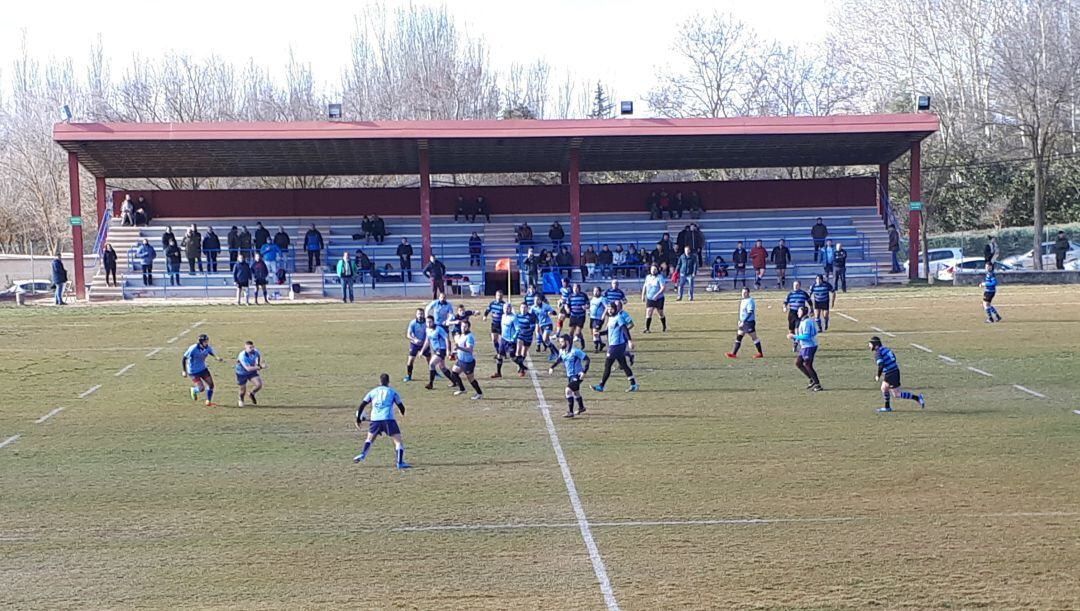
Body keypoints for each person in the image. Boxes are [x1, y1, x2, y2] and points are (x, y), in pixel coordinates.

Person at [353, 373, 410, 469]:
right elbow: (401, 406)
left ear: (379, 382)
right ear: (388, 382)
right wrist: (402, 413)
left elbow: (362, 405)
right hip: (388, 419)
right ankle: (400, 463)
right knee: (398, 441)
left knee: (369, 439)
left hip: (375, 419)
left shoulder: (372, 392)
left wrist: (358, 419)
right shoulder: (392, 392)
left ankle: (363, 454)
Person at [869, 337, 925, 413]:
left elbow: (881, 365)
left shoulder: (878, 353)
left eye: (870, 344)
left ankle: (917, 398)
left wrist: (878, 376)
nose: (869, 345)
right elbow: (894, 358)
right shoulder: (886, 349)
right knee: (884, 388)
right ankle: (887, 407)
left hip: (891, 373)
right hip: (894, 371)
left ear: (875, 345)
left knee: (896, 394)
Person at [592, 301, 638, 392]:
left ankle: (601, 386)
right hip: (614, 345)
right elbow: (608, 331)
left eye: (611, 309)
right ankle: (633, 384)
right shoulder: (611, 318)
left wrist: (629, 341)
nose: (609, 311)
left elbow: (624, 329)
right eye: (608, 309)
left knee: (607, 365)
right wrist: (599, 334)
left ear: (615, 309)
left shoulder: (619, 317)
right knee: (624, 365)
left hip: (616, 346)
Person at [548, 334, 591, 418]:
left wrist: (584, 372)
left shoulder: (575, 351)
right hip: (570, 376)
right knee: (575, 392)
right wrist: (552, 367)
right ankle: (581, 407)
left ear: (567, 342)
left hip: (577, 375)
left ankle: (570, 412)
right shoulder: (562, 351)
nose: (560, 344)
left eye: (562, 342)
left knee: (568, 390)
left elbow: (587, 359)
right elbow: (560, 359)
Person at [182, 333, 225, 407]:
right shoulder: (193, 349)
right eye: (205, 341)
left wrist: (216, 357)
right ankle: (194, 390)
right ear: (201, 342)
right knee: (201, 388)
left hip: (203, 369)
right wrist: (184, 371)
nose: (207, 343)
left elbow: (210, 351)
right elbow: (184, 359)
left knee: (211, 384)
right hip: (193, 372)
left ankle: (208, 401)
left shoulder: (207, 347)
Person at [787, 305, 822, 392]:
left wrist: (794, 336)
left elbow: (806, 336)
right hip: (805, 346)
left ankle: (817, 384)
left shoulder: (806, 322)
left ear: (803, 312)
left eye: (799, 311)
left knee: (807, 364)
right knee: (798, 363)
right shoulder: (805, 321)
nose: (797, 313)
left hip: (809, 346)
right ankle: (811, 379)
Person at [726, 287, 764, 359]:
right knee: (739, 336)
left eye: (745, 292)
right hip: (743, 322)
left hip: (749, 322)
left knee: (754, 337)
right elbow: (742, 312)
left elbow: (750, 312)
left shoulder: (750, 301)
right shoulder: (743, 301)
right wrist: (740, 320)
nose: (743, 294)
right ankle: (733, 354)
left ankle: (760, 353)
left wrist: (744, 321)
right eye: (742, 292)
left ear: (748, 293)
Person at [450, 320, 484, 399]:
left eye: (465, 326)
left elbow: (469, 350)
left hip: (467, 362)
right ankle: (462, 389)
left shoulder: (469, 337)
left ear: (468, 327)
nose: (463, 328)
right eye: (462, 326)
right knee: (454, 373)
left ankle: (479, 393)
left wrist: (459, 348)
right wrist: (454, 352)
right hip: (460, 360)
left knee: (471, 379)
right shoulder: (462, 335)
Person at [419, 315, 455, 390]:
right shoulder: (427, 329)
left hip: (441, 349)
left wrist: (448, 350)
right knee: (442, 367)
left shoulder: (439, 329)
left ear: (433, 322)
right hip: (436, 350)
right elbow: (427, 340)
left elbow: (446, 338)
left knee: (432, 364)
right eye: (427, 322)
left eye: (430, 322)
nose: (428, 323)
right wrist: (422, 350)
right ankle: (455, 381)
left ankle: (431, 384)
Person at [783, 280, 812, 352]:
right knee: (791, 330)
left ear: (799, 286)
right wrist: (784, 307)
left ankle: (796, 344)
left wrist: (811, 309)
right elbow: (785, 302)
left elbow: (809, 301)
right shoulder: (790, 294)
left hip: (800, 313)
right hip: (792, 313)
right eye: (794, 285)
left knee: (797, 328)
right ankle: (795, 341)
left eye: (797, 285)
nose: (795, 287)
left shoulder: (803, 293)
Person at [235, 340, 265, 407]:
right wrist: (260, 367)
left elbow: (258, 359)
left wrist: (259, 363)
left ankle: (252, 393)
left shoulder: (256, 352)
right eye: (250, 348)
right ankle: (241, 399)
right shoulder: (242, 355)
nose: (251, 349)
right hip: (241, 373)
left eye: (252, 347)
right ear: (245, 347)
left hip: (252, 371)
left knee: (259, 384)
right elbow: (247, 368)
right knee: (242, 390)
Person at [491, 302, 518, 379]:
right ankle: (498, 372)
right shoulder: (503, 316)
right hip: (503, 339)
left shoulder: (513, 317)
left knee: (512, 357)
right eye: (505, 308)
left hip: (510, 341)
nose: (506, 310)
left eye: (508, 308)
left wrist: (514, 337)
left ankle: (521, 366)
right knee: (499, 355)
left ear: (510, 309)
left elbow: (518, 329)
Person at [404, 308, 430, 382]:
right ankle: (409, 375)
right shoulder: (413, 323)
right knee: (410, 360)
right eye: (418, 314)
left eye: (421, 314)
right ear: (416, 314)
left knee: (429, 359)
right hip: (414, 344)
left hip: (424, 344)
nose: (420, 315)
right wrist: (414, 339)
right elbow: (408, 335)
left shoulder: (427, 322)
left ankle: (434, 373)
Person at [512, 302, 537, 377]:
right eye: (522, 307)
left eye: (524, 307)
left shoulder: (531, 317)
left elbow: (532, 328)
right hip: (520, 336)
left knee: (524, 352)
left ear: (527, 308)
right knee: (518, 350)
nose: (523, 309)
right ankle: (520, 367)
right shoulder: (517, 316)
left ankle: (521, 365)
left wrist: (524, 331)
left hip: (528, 337)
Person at [641, 264, 668, 332]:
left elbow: (663, 288)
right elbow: (645, 286)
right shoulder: (648, 277)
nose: (653, 271)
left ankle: (664, 326)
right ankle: (647, 328)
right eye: (652, 269)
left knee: (660, 313)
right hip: (650, 298)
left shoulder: (660, 277)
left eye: (655, 269)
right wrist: (643, 295)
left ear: (657, 270)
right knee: (649, 312)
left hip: (659, 298)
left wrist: (657, 295)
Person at [531, 294, 559, 360]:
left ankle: (555, 353)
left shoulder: (545, 306)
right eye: (534, 300)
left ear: (540, 300)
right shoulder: (533, 308)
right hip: (541, 325)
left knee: (544, 339)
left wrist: (551, 313)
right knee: (547, 341)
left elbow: (554, 312)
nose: (536, 301)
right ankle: (555, 352)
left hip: (548, 324)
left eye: (537, 300)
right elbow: (531, 316)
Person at [566, 283, 590, 350]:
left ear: (579, 288)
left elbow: (588, 304)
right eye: (574, 288)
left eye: (576, 288)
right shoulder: (570, 296)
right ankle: (569, 347)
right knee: (571, 332)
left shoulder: (583, 295)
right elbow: (567, 304)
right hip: (573, 315)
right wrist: (567, 309)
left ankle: (581, 340)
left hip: (581, 316)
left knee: (577, 332)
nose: (575, 289)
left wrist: (585, 306)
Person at [588, 286, 607, 353]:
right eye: (594, 291)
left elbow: (607, 307)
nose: (595, 292)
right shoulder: (592, 299)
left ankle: (596, 348)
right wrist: (588, 311)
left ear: (600, 292)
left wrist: (603, 315)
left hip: (598, 318)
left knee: (595, 332)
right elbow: (591, 307)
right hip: (592, 318)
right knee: (593, 333)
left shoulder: (602, 299)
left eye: (597, 291)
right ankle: (601, 344)